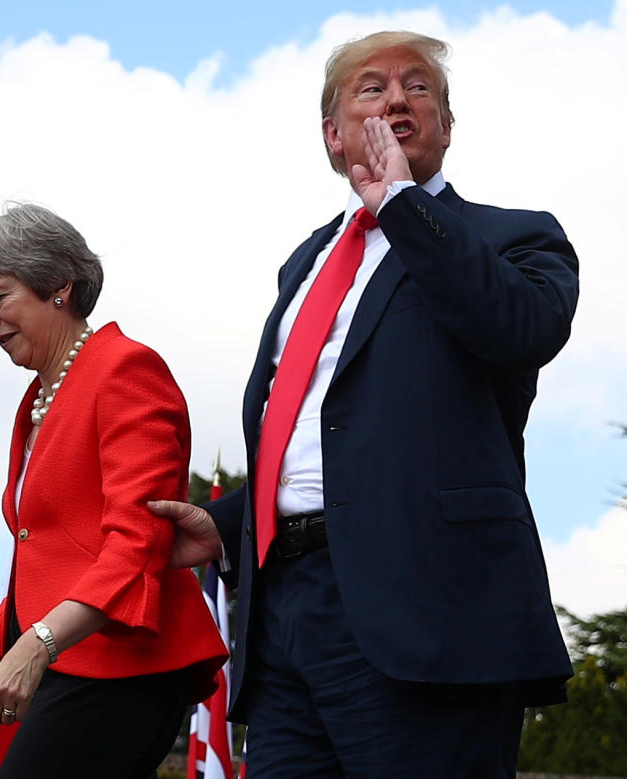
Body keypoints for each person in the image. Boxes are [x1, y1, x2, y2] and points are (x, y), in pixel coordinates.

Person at [150, 30, 578, 777]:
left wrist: (405, 205)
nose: (397, 98)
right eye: (371, 88)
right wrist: (228, 526)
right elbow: (330, 436)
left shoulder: (515, 237)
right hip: (286, 621)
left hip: (432, 611)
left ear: (445, 126)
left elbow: (518, 330)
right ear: (332, 133)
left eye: (419, 87)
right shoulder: (306, 263)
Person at [0, 203, 228, 778]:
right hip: (73, 664)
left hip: (126, 667)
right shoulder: (37, 402)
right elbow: (41, 588)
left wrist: (36, 647)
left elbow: (137, 544)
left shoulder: (125, 369)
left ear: (58, 287)